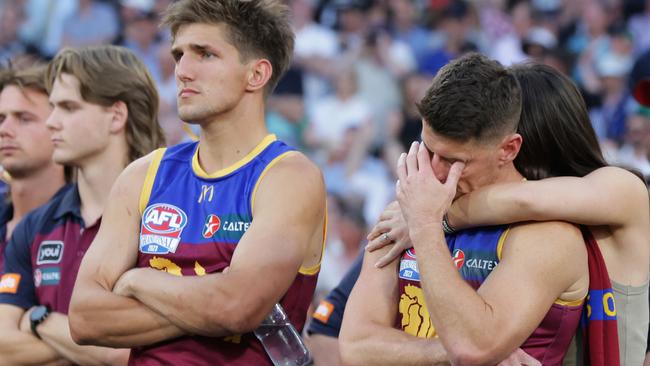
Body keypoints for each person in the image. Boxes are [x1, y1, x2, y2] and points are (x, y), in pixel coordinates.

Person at [67, 1, 327, 365]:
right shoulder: (143, 174)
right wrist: (209, 301)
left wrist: (137, 281)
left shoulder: (288, 176)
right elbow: (83, 318)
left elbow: (235, 307)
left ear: (256, 74)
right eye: (179, 55)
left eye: (205, 54)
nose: (183, 71)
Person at [368, 63, 650, 365]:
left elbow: (523, 200)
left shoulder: (623, 187)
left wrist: (428, 216)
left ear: (517, 144)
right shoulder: (507, 221)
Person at [339, 53, 589, 366]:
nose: (436, 172)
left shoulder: (547, 234)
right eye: (428, 150)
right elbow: (355, 347)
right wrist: (441, 351)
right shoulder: (403, 213)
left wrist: (426, 226)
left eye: (456, 161)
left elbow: (472, 348)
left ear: (508, 149)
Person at [0, 45, 165, 366]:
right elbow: (3, 350)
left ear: (116, 116)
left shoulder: (167, 215)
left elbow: (138, 353)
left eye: (68, 108)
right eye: (51, 108)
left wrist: (37, 320)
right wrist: (98, 348)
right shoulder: (36, 225)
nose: (51, 122)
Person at [0, 65, 67, 271]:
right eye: (1, 119)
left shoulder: (86, 224)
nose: (5, 130)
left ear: (59, 126)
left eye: (24, 119)